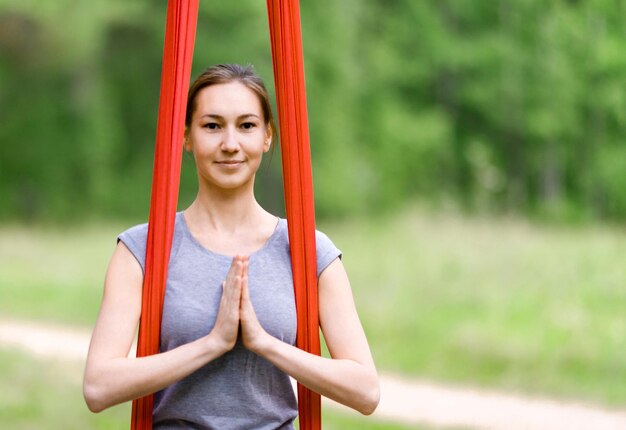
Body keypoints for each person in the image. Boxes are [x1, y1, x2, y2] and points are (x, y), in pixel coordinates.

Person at [83, 63, 379, 429]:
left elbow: (366, 391)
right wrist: (212, 343)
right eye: (212, 126)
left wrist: (262, 342)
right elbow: (97, 387)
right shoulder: (143, 249)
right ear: (187, 136)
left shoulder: (307, 250)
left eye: (246, 125)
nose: (230, 144)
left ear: (267, 136)